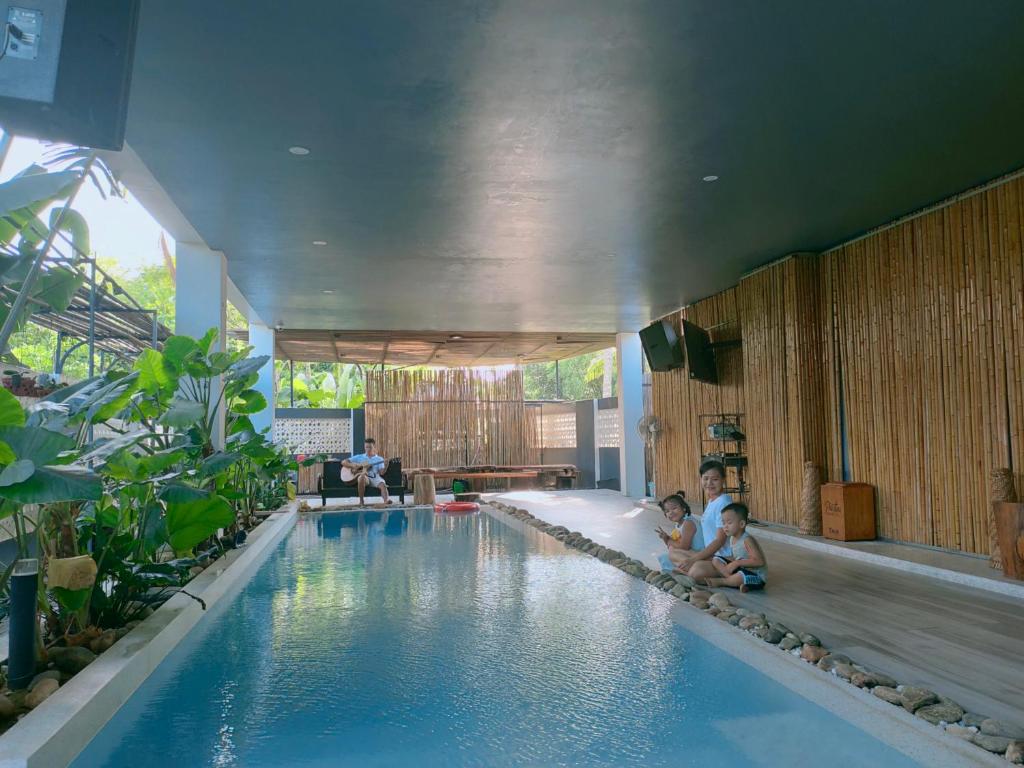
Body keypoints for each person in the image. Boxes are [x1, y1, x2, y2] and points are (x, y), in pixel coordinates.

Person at [673, 459, 733, 575]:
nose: (709, 483)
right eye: (705, 478)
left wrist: (694, 559)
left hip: (722, 558)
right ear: (701, 479)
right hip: (709, 554)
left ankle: (722, 576)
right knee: (673, 553)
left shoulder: (723, 503)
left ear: (723, 480)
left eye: (715, 479)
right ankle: (691, 568)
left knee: (696, 572)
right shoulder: (712, 501)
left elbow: (720, 540)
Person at [693, 502, 767, 592]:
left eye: (729, 523)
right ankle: (731, 579)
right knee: (716, 560)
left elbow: (759, 561)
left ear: (742, 524)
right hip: (741, 570)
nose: (725, 526)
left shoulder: (747, 540)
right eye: (723, 523)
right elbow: (735, 557)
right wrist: (722, 561)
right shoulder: (732, 538)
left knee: (740, 576)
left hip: (756, 575)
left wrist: (737, 563)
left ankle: (723, 581)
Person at [654, 491, 697, 571]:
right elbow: (674, 544)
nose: (671, 512)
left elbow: (684, 547)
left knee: (670, 555)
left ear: (684, 508)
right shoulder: (678, 526)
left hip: (700, 555)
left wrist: (668, 540)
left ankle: (680, 571)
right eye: (667, 511)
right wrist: (665, 538)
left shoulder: (688, 523)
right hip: (691, 553)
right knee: (667, 555)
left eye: (674, 508)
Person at [343, 438, 391, 506]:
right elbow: (344, 462)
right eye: (366, 447)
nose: (368, 449)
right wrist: (353, 466)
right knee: (361, 477)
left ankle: (386, 501)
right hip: (365, 477)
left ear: (374, 447)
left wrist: (386, 465)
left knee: (383, 484)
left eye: (370, 447)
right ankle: (361, 501)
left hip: (375, 477)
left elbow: (381, 473)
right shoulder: (359, 457)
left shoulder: (379, 459)